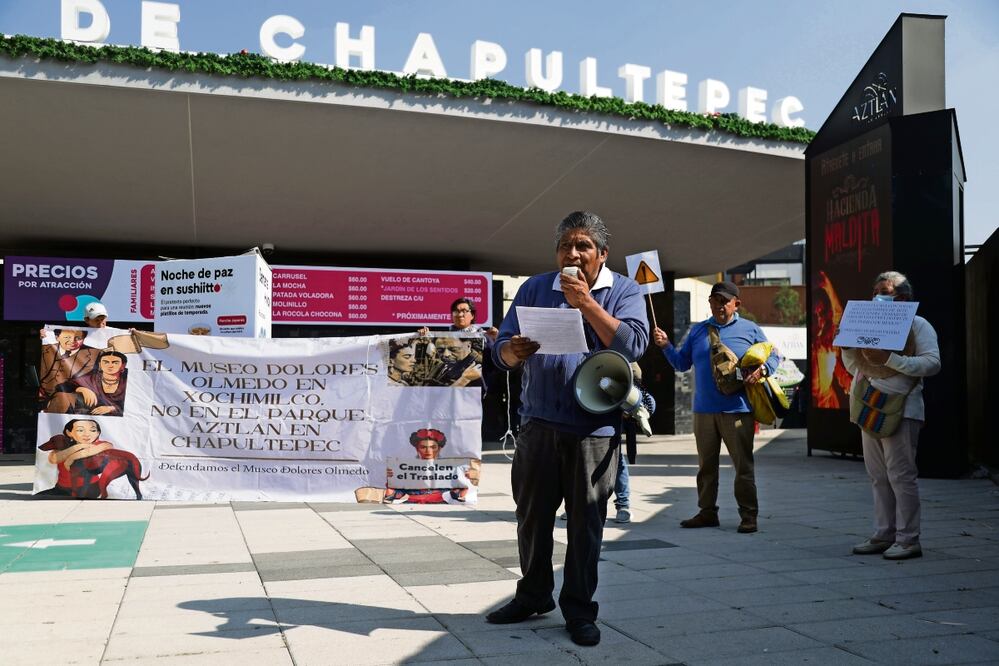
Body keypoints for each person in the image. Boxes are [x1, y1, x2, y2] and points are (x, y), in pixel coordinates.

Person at [485, 211, 648, 647]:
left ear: (602, 254)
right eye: (565, 247)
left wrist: (587, 304)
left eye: (582, 246)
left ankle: (578, 609)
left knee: (585, 523)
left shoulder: (624, 290)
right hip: (539, 424)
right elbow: (500, 350)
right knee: (532, 518)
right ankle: (534, 594)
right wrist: (513, 351)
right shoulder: (535, 288)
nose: (572, 255)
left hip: (594, 430)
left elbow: (633, 344)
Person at [653, 281, 779, 534]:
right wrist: (666, 345)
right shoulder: (698, 330)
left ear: (736, 304)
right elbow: (680, 364)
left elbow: (774, 356)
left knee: (743, 467)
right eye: (715, 300)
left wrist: (763, 369)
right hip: (704, 411)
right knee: (706, 467)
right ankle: (707, 512)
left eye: (724, 301)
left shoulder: (750, 329)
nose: (719, 305)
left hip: (738, 409)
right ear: (709, 302)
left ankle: (748, 515)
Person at [841, 271, 940, 560]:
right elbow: (855, 367)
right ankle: (884, 533)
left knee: (901, 475)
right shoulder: (866, 322)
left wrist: (890, 359)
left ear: (904, 297)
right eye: (875, 291)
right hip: (869, 407)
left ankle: (909, 540)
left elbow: (933, 363)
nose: (877, 296)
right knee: (877, 476)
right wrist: (848, 348)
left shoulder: (918, 325)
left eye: (884, 291)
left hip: (903, 408)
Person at [383, 428, 478, 504]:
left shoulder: (451, 467)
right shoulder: (405, 467)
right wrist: (392, 479)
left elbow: (458, 494)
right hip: (411, 503)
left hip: (442, 503)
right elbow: (396, 494)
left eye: (433, 447)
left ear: (439, 448)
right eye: (423, 447)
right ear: (417, 449)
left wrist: (465, 479)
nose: (429, 451)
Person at [46, 350, 129, 416]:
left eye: (115, 362)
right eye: (105, 362)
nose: (110, 365)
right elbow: (61, 387)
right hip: (89, 417)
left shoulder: (129, 381)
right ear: (100, 364)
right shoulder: (91, 378)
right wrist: (81, 388)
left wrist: (112, 408)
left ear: (123, 365)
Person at [37, 328, 100, 400]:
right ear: (57, 338)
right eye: (67, 337)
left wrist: (80, 389)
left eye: (78, 338)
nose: (72, 341)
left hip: (71, 397)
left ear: (84, 339)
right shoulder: (43, 348)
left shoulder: (96, 354)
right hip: (38, 396)